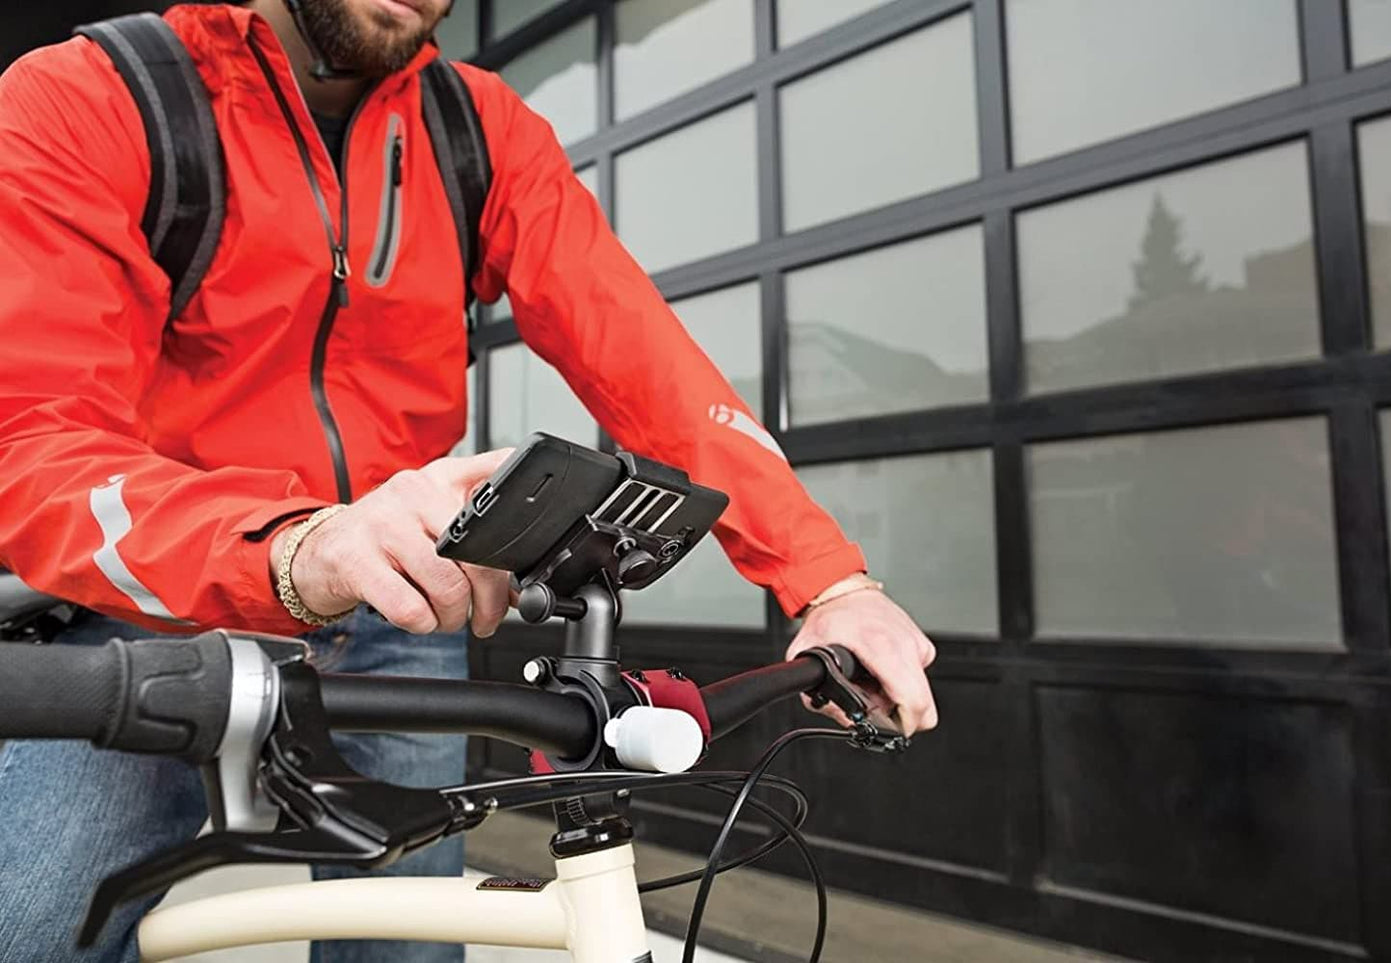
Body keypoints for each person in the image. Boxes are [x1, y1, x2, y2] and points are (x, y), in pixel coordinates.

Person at [0, 1, 940, 960]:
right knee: (37, 920)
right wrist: (299, 543)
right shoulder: (93, 94)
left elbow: (639, 351)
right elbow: (33, 438)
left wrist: (831, 581)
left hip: (398, 599)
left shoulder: (476, 128)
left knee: (409, 937)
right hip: (148, 594)